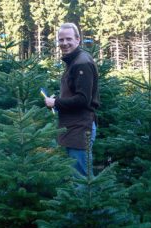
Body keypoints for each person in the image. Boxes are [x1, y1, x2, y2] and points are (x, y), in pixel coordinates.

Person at [44, 23, 100, 177]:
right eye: (61, 40)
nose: (64, 43)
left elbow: (83, 100)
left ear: (78, 39)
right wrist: (59, 99)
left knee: (82, 178)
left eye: (68, 39)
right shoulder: (74, 61)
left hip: (81, 127)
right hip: (73, 126)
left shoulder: (82, 63)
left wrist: (55, 103)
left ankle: (86, 201)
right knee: (77, 175)